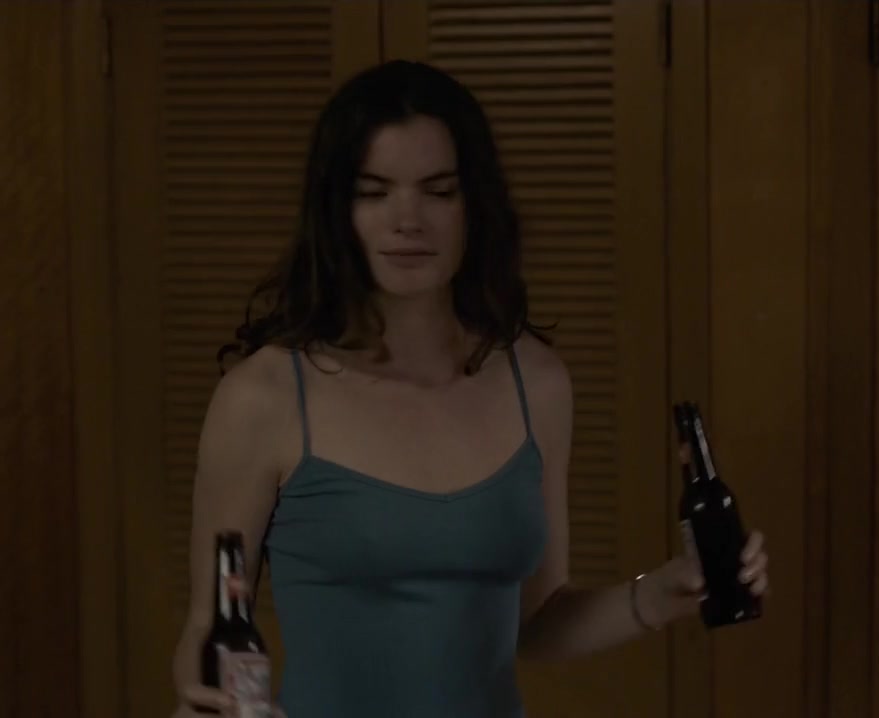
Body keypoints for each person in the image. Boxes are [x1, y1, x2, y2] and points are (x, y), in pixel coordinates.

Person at [170, 60, 770, 718]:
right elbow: (209, 626)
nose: (408, 219)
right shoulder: (263, 398)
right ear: (337, 210)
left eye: (439, 191)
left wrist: (660, 592)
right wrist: (203, 707)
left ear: (473, 205)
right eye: (374, 192)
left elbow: (538, 619)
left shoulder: (536, 384)